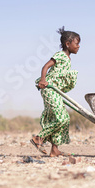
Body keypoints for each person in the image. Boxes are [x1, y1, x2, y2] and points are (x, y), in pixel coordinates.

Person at [30, 26, 81, 157]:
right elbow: (46, 66)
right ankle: (38, 138)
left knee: (59, 117)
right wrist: (43, 79)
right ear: (67, 44)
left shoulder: (68, 58)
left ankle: (55, 149)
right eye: (77, 43)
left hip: (55, 91)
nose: (79, 46)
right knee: (62, 119)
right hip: (49, 89)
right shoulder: (60, 55)